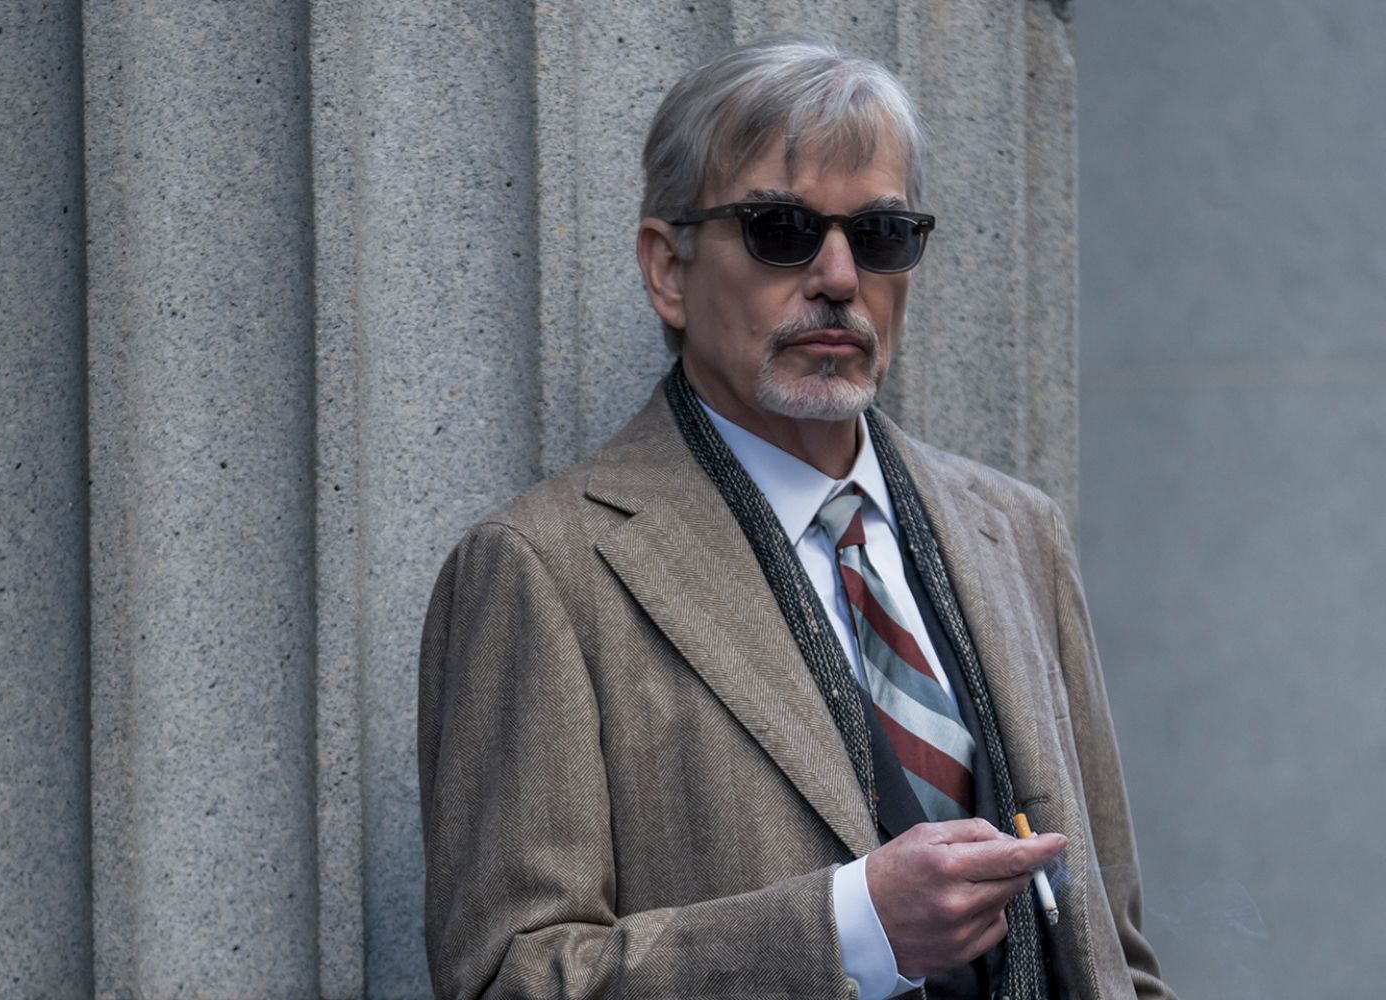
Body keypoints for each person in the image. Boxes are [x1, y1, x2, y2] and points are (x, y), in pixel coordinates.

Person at [417, 37, 1173, 1000]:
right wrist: (850, 928)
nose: (839, 277)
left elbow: (1112, 949)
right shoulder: (541, 568)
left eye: (882, 234)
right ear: (668, 270)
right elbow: (508, 977)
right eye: (781, 229)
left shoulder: (1017, 532)